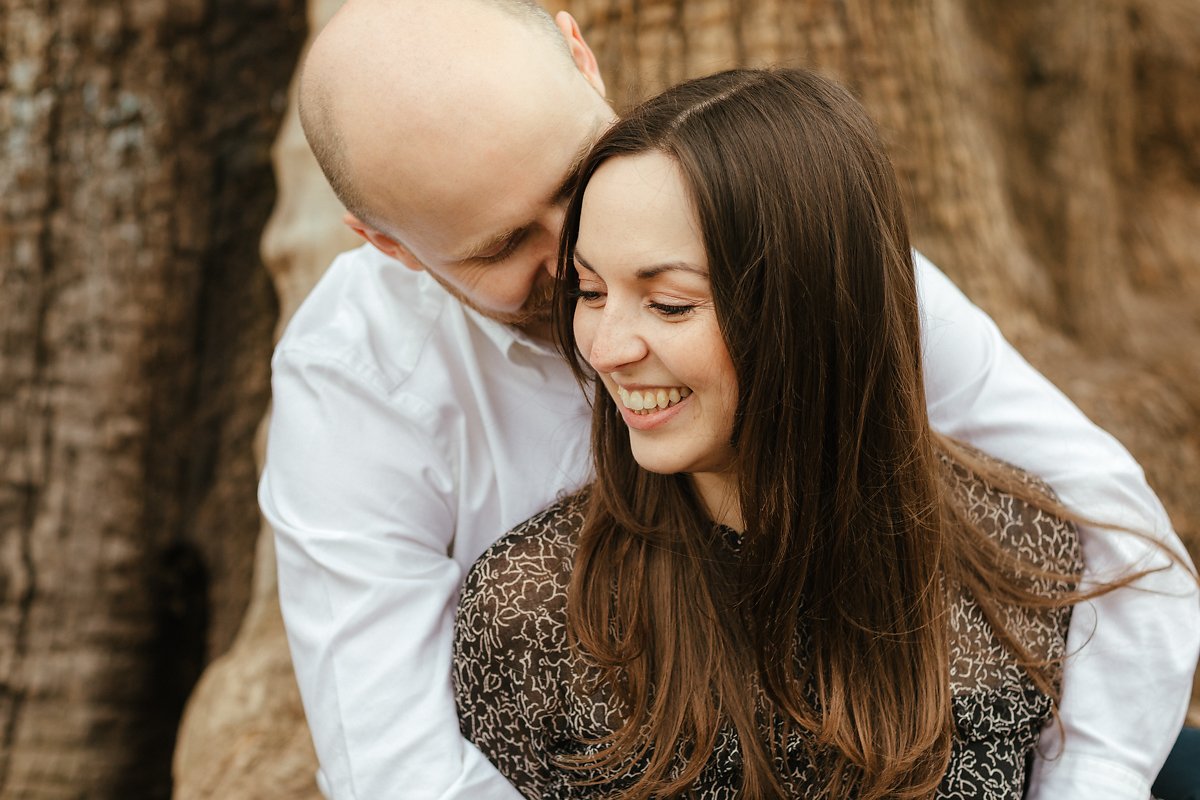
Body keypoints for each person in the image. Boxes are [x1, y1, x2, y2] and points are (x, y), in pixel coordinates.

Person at [258, 1, 1199, 798]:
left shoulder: (764, 226)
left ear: (580, 56)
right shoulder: (357, 384)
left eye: (573, 177)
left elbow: (1110, 525)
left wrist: (1089, 780)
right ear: (387, 245)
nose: (580, 252)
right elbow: (399, 767)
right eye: (504, 246)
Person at [451, 65, 1121, 798]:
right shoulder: (536, 617)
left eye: (669, 304)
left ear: (814, 309)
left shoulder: (1021, 550)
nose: (605, 348)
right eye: (591, 291)